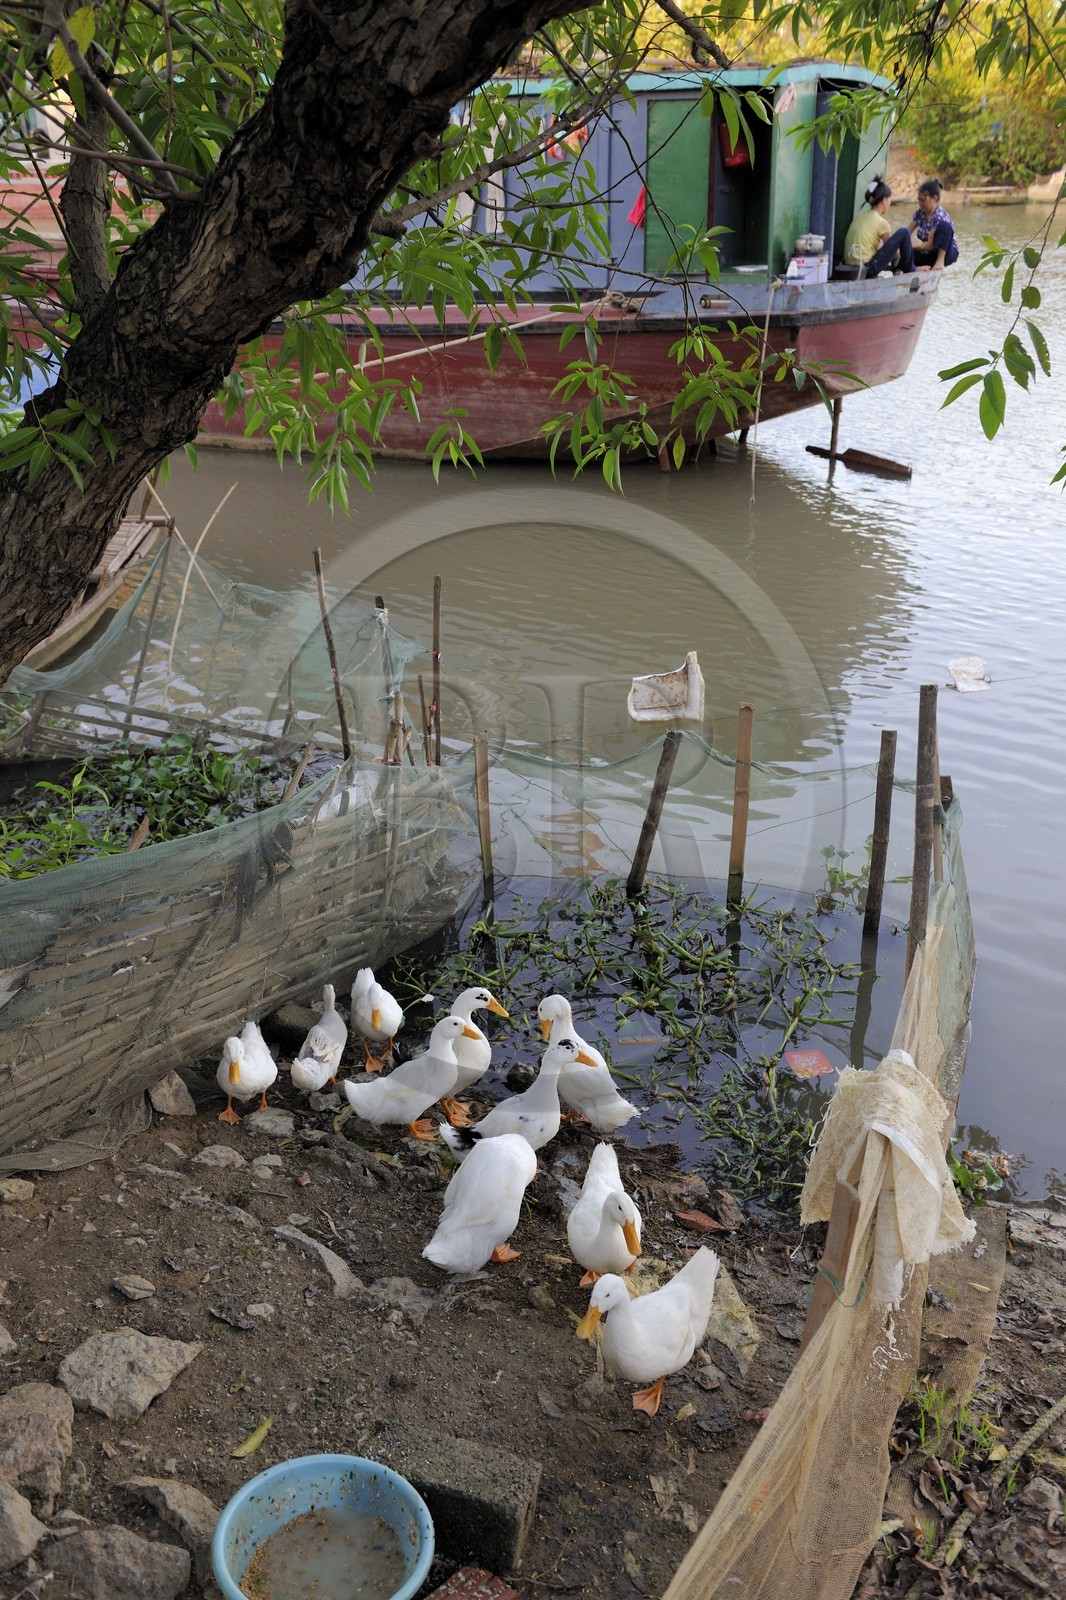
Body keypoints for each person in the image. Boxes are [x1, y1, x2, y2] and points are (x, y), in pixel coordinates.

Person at [842, 176, 914, 276]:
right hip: (865, 269)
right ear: (884, 200)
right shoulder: (882, 223)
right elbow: (894, 254)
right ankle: (911, 270)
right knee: (904, 232)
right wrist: (910, 246)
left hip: (848, 267)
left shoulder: (860, 216)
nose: (889, 204)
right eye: (890, 200)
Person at [910, 178, 959, 270]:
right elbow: (907, 231)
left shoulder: (939, 215)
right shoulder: (920, 212)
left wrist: (916, 245)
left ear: (934, 199)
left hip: (944, 251)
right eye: (919, 200)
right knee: (903, 253)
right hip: (926, 251)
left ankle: (940, 262)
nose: (920, 203)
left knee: (945, 226)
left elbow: (930, 245)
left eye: (923, 200)